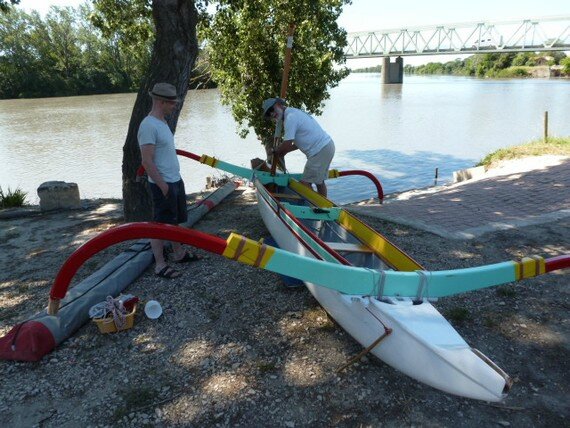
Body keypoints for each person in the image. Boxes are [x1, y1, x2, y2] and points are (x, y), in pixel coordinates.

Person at [138, 82, 200, 279]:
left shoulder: (162, 122)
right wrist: (163, 185)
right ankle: (160, 264)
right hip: (162, 183)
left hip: (174, 179)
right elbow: (146, 161)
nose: (175, 106)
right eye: (172, 103)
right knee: (159, 224)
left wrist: (174, 181)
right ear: (161, 102)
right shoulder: (148, 125)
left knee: (175, 221)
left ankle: (178, 253)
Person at [262, 97, 335, 197]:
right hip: (327, 146)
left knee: (304, 184)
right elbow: (296, 144)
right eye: (268, 114)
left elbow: (287, 145)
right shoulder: (293, 113)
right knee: (319, 181)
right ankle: (325, 207)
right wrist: (281, 151)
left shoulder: (290, 118)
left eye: (271, 109)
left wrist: (276, 151)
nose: (271, 114)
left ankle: (318, 206)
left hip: (319, 150)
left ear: (279, 105)